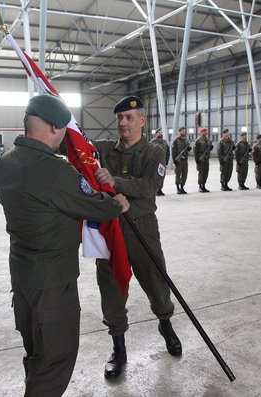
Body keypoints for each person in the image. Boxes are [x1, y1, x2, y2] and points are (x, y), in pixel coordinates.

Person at [0, 94, 130, 397]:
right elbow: (95, 206)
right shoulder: (55, 172)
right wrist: (117, 204)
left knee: (36, 354)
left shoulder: (4, 163)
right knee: (56, 360)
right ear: (55, 128)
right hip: (53, 286)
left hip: (23, 278)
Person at [92, 95, 182, 380]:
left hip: (143, 228)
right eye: (119, 118)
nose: (123, 123)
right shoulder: (104, 150)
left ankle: (165, 324)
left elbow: (151, 185)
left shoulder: (155, 152)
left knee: (156, 282)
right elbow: (76, 149)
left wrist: (116, 183)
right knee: (112, 289)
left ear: (142, 120)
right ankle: (118, 348)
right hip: (109, 232)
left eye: (130, 118)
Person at [171, 126, 192, 194]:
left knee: (185, 174)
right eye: (182, 131)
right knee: (178, 174)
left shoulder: (186, 139)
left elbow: (188, 146)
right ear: (179, 132)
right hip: (179, 160)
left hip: (185, 159)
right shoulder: (176, 140)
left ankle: (182, 187)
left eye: (184, 131)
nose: (184, 132)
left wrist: (189, 148)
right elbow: (173, 151)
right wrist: (174, 160)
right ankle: (178, 188)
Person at [150, 127, 170, 196]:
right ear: (156, 134)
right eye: (159, 132)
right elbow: (150, 152)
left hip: (163, 162)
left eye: (161, 132)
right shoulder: (153, 141)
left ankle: (160, 189)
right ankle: (156, 190)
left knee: (162, 176)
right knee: (156, 176)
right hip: (155, 162)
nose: (160, 133)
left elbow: (168, 152)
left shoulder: (164, 142)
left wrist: (166, 160)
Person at [194, 127, 213, 192]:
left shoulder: (208, 139)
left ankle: (204, 185)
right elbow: (195, 151)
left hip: (206, 159)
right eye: (204, 131)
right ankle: (200, 186)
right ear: (201, 132)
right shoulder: (198, 140)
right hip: (201, 158)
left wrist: (211, 148)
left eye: (206, 131)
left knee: (206, 172)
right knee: (201, 173)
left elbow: (209, 149)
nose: (205, 132)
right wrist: (197, 160)